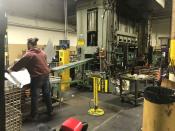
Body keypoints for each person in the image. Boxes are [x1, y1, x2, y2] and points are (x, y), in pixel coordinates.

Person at [9, 38, 53, 120]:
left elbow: (20, 64)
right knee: (47, 94)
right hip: (46, 75)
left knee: (35, 96)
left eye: (27, 44)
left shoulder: (29, 54)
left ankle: (34, 115)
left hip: (37, 77)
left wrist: (11, 69)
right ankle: (50, 111)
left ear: (29, 44)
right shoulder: (43, 52)